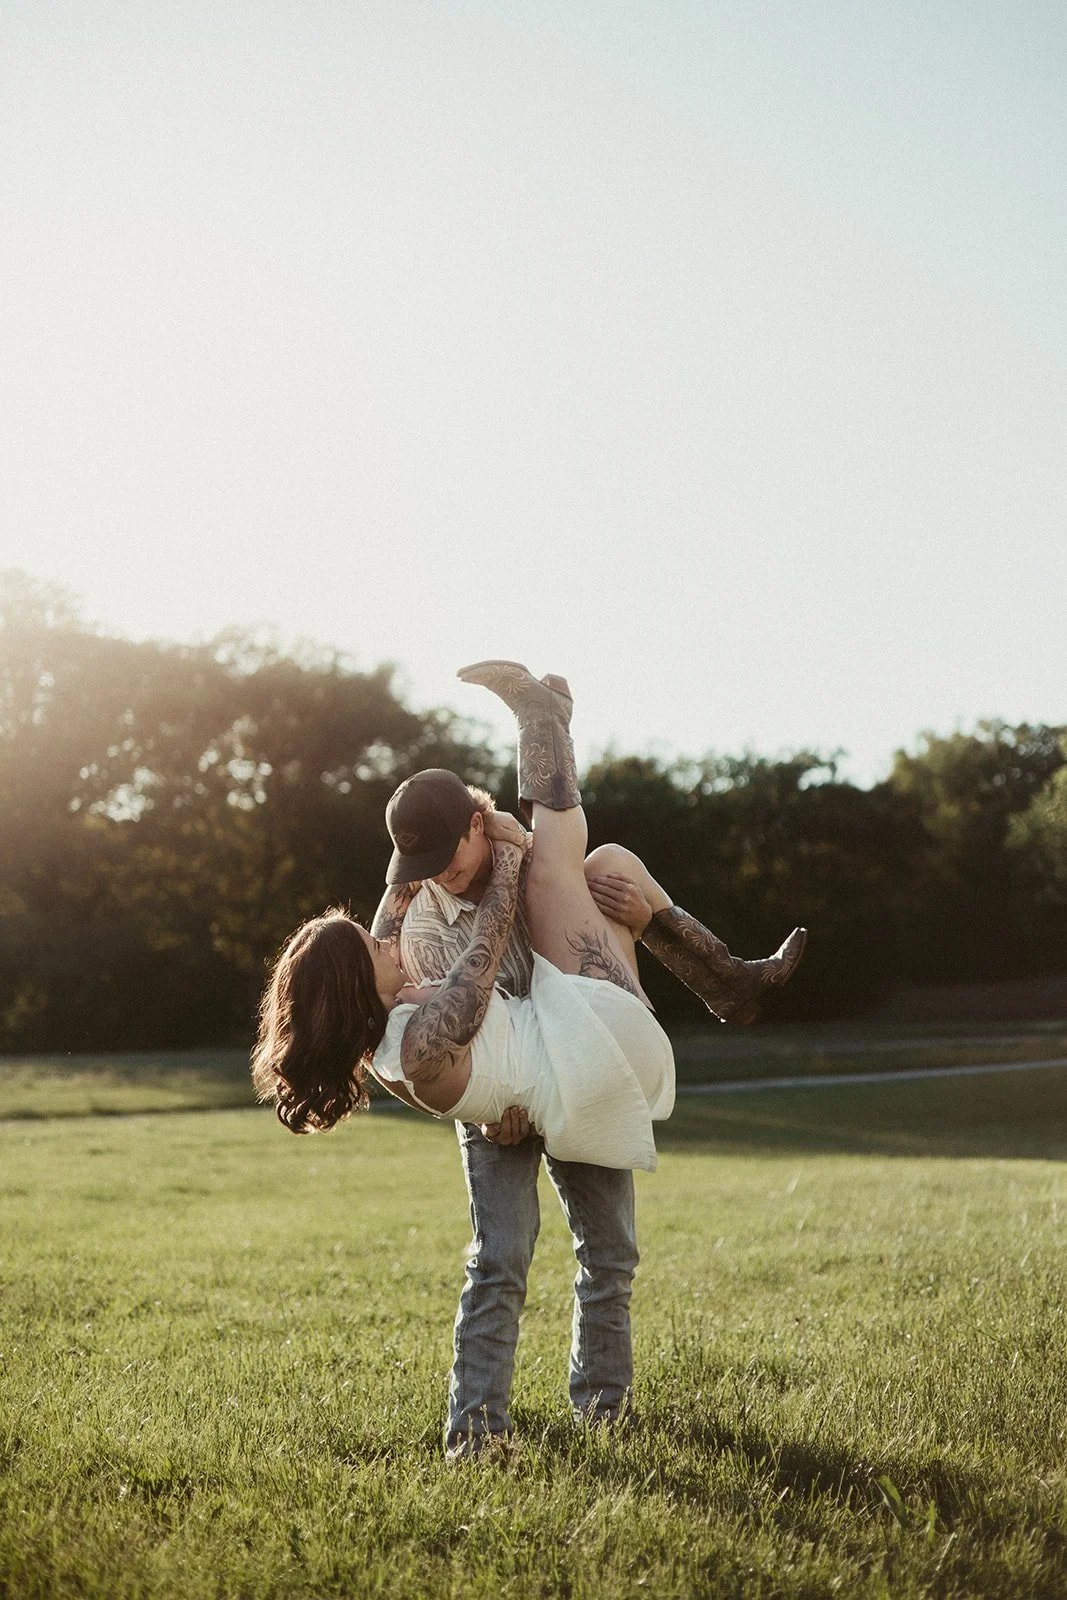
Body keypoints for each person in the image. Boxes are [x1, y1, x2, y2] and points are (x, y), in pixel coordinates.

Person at [253, 661, 807, 1455]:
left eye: (449, 854)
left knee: (609, 1252)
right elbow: (407, 1033)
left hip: (574, 1046)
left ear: (478, 823)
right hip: (495, 1095)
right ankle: (474, 1433)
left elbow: (525, 885)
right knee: (499, 1262)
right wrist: (484, 1116)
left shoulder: (526, 862)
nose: (436, 874)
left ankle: (603, 1415)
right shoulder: (418, 912)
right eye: (419, 865)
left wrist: (641, 913)